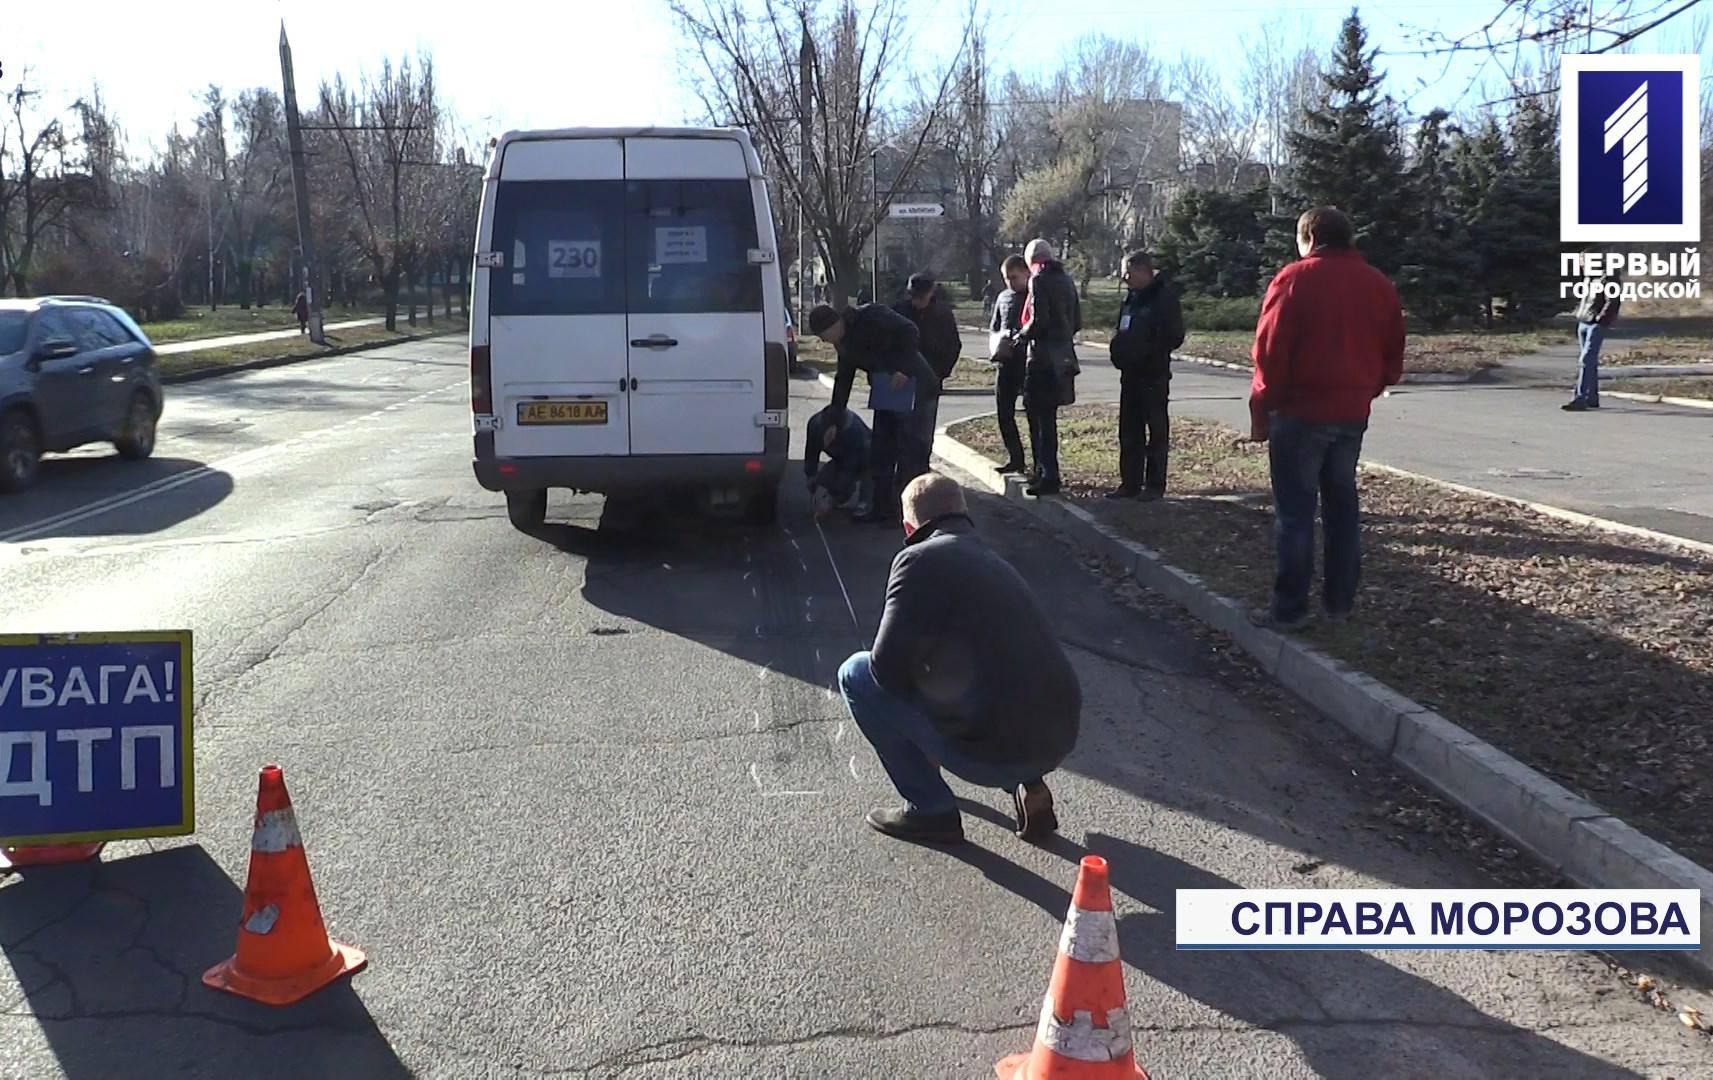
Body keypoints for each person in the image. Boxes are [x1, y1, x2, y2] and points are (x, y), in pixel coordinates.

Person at [837, 473, 1081, 842]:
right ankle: (1028, 782)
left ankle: (930, 809)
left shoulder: (916, 559)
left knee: (854, 672)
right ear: (964, 513)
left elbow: (884, 670)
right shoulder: (991, 559)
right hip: (1058, 735)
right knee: (999, 668)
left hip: (996, 752)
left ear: (908, 526)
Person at [1248, 206, 1404, 631]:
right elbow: (1393, 350)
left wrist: (1263, 405)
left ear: (1309, 238)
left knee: (1296, 513)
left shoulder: (1295, 279)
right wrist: (1368, 387)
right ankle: (1339, 602)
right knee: (1341, 507)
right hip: (1351, 412)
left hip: (1301, 412)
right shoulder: (1378, 284)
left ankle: (1289, 608)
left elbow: (1270, 350)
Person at [807, 301, 940, 526]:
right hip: (885, 390)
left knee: (911, 454)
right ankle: (881, 509)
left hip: (916, 386)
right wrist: (834, 420)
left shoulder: (871, 315)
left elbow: (910, 330)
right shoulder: (845, 344)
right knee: (881, 452)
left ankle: (909, 514)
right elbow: (843, 382)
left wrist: (903, 368)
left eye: (824, 335)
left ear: (835, 323)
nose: (825, 341)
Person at [1106, 251, 1184, 501]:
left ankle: (1154, 485)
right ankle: (1129, 483)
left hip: (1153, 375)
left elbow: (1175, 336)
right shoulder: (1131, 299)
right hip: (1129, 375)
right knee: (1129, 430)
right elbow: (1122, 329)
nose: (1124, 277)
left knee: (1156, 431)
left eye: (1128, 272)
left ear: (1144, 271)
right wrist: (1118, 350)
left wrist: (1149, 352)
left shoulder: (1164, 298)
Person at [1011, 238, 1080, 497]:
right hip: (1062, 357)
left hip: (1041, 359)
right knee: (1049, 418)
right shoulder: (1067, 280)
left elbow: (1039, 320)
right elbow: (1076, 320)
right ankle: (1048, 471)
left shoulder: (1038, 280)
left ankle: (1045, 472)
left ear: (1033, 261)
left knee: (1037, 418)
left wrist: (1020, 337)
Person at [893, 272, 962, 477]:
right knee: (899, 433)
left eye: (921, 297)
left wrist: (939, 373)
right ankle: (901, 476)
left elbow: (954, 346)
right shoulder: (899, 311)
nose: (917, 302)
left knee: (923, 434)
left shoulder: (943, 314)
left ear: (931, 293)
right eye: (913, 297)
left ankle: (920, 473)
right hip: (901, 381)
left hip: (929, 383)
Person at [988, 255, 1031, 475]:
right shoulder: (1003, 297)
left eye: (1014, 277)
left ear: (1026, 273)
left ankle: (1040, 464)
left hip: (1028, 362)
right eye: (1006, 278)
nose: (1011, 282)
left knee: (1033, 414)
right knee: (1004, 412)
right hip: (1005, 362)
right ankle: (1015, 457)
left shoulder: (1034, 296)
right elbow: (994, 326)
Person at [1564, 269, 1621, 412]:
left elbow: (1613, 300)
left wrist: (1601, 319)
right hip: (1583, 320)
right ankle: (1592, 397)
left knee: (1586, 359)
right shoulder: (1588, 277)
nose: (1581, 265)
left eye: (1584, 261)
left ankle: (1580, 398)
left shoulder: (1608, 277)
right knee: (1590, 362)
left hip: (1595, 324)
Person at [804, 405, 872, 518]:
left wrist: (831, 496)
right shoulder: (814, 425)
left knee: (868, 466)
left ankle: (866, 503)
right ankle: (837, 498)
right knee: (823, 480)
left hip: (864, 455)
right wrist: (811, 478)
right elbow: (811, 453)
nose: (826, 442)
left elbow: (848, 469)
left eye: (830, 437)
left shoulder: (854, 432)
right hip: (841, 457)